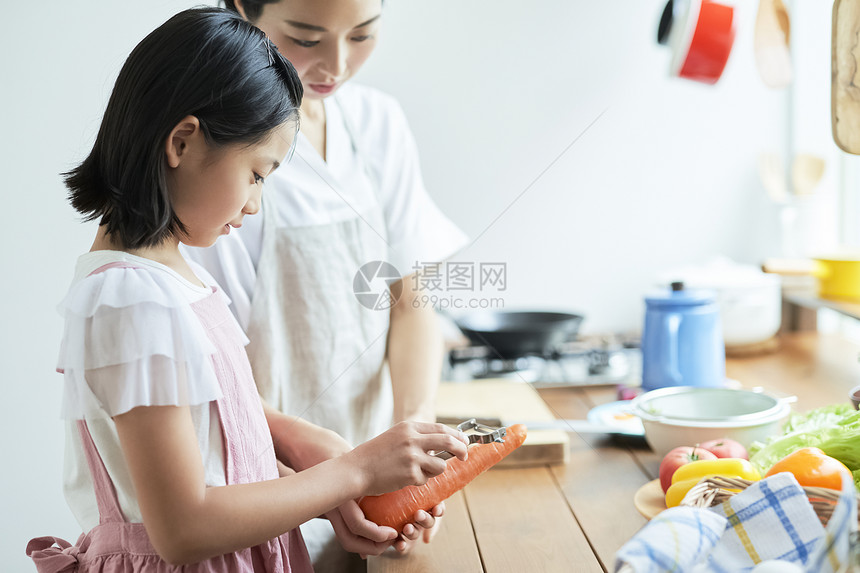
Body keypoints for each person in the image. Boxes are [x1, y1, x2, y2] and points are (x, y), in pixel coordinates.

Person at [26, 7, 468, 571]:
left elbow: (217, 433)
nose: (255, 202)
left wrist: (310, 455)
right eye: (257, 174)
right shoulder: (133, 301)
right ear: (182, 142)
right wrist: (350, 473)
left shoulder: (174, 276)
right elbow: (184, 528)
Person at [183, 1, 469, 567]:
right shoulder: (212, 155)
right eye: (306, 37)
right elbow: (206, 369)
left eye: (362, 35)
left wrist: (410, 442)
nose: (335, 65)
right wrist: (328, 478)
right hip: (262, 491)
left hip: (363, 485)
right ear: (243, 8)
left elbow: (410, 299)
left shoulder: (378, 123)